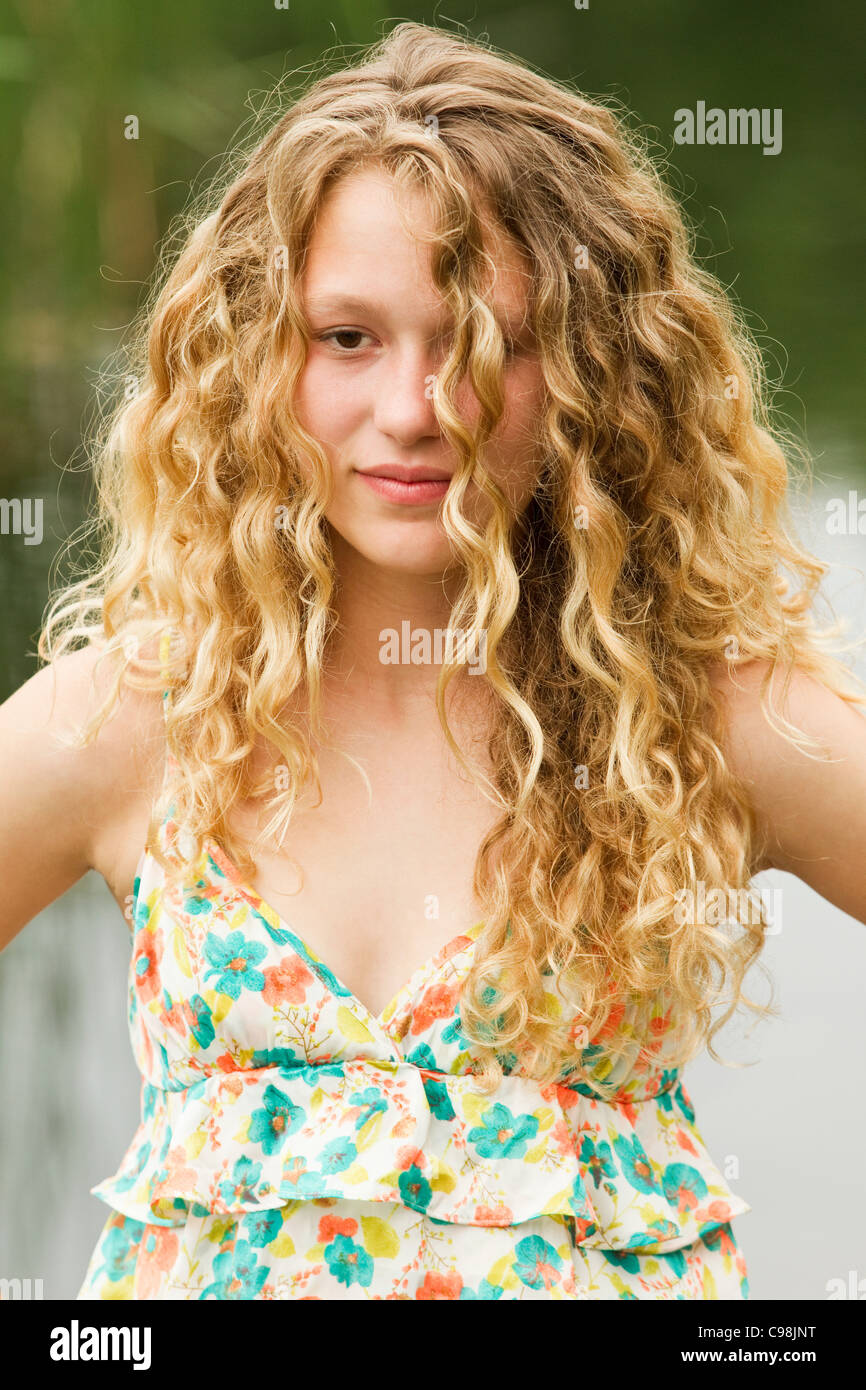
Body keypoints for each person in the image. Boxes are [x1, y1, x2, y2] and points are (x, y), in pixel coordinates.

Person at [2, 21, 865, 1301]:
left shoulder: (700, 717)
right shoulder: (140, 716)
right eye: (346, 337)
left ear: (591, 371)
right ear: (255, 355)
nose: (414, 408)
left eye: (489, 345)